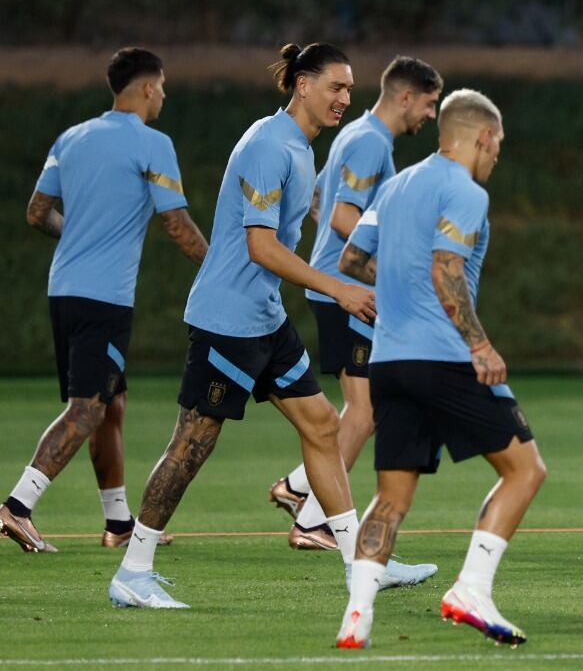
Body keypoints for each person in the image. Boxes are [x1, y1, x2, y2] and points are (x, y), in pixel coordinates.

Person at [106, 43, 432, 609]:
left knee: (324, 426)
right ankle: (133, 571)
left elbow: (302, 216)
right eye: (336, 87)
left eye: (350, 89)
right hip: (228, 321)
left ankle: (362, 565)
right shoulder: (267, 145)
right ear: (302, 85)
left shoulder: (301, 147)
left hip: (264, 318)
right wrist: (340, 287)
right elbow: (260, 246)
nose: (345, 98)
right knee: (192, 444)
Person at [335, 90, 545, 649]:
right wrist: (481, 346)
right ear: (483, 138)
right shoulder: (465, 191)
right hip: (443, 357)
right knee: (526, 470)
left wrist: (400, 277)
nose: (497, 154)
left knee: (391, 498)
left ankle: (356, 617)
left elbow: (351, 260)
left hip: (388, 361)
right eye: (497, 143)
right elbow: (446, 270)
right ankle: (470, 589)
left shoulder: (395, 185)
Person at [0, 48, 207, 554]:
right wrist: (221, 268)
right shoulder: (153, 144)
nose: (164, 95)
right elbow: (177, 226)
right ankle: (16, 507)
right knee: (87, 410)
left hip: (64, 290)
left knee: (111, 405)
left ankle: (118, 524)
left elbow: (36, 212)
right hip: (104, 299)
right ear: (145, 89)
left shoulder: (72, 137)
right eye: (161, 86)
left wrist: (78, 236)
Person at [269, 55, 443, 551]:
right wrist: (401, 260)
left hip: (336, 285)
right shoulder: (369, 141)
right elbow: (345, 218)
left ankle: (300, 488)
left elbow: (323, 202)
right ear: (405, 97)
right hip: (347, 290)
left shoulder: (356, 135)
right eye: (429, 105)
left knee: (362, 407)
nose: (430, 116)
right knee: (364, 411)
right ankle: (312, 520)